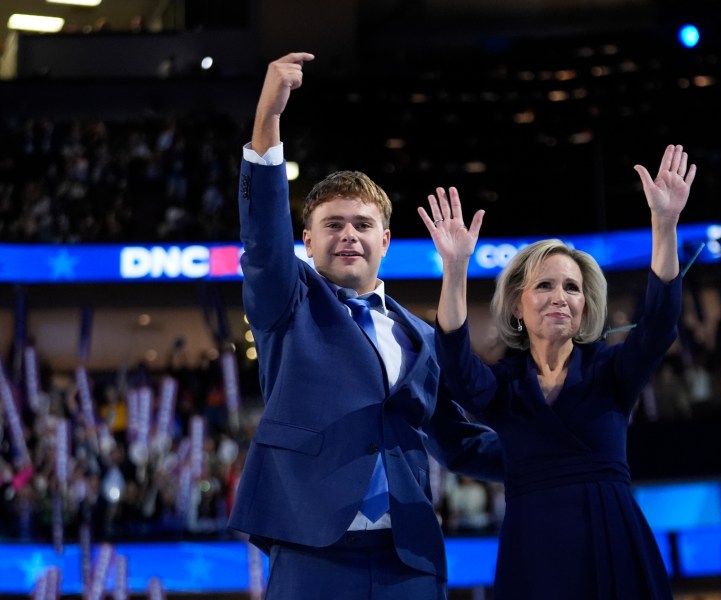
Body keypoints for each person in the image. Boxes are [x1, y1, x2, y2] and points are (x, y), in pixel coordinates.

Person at [228, 52, 504, 600]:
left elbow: (458, 441)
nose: (348, 234)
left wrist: (552, 445)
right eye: (332, 224)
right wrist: (267, 120)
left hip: (410, 555)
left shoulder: (421, 337)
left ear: (385, 241)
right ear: (307, 243)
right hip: (313, 550)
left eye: (362, 224)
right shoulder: (289, 306)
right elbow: (262, 243)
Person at [418, 144, 696, 599]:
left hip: (614, 538)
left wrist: (664, 224)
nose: (560, 296)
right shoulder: (503, 386)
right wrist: (455, 268)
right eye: (544, 286)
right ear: (516, 306)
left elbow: (660, 325)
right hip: (535, 551)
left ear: (585, 306)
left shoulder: (611, 372)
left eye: (572, 287)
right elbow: (456, 367)